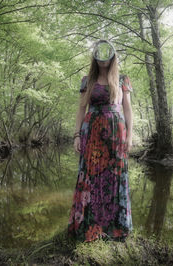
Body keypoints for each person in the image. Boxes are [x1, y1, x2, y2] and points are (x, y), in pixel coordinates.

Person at [67, 39, 134, 242]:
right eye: (99, 54)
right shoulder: (87, 80)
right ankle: (88, 227)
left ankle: (114, 228)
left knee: (115, 177)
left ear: (113, 56)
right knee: (90, 177)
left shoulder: (123, 80)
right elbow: (81, 110)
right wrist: (77, 135)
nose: (103, 58)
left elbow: (128, 110)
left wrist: (130, 136)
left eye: (107, 54)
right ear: (94, 56)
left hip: (116, 134)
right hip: (91, 134)